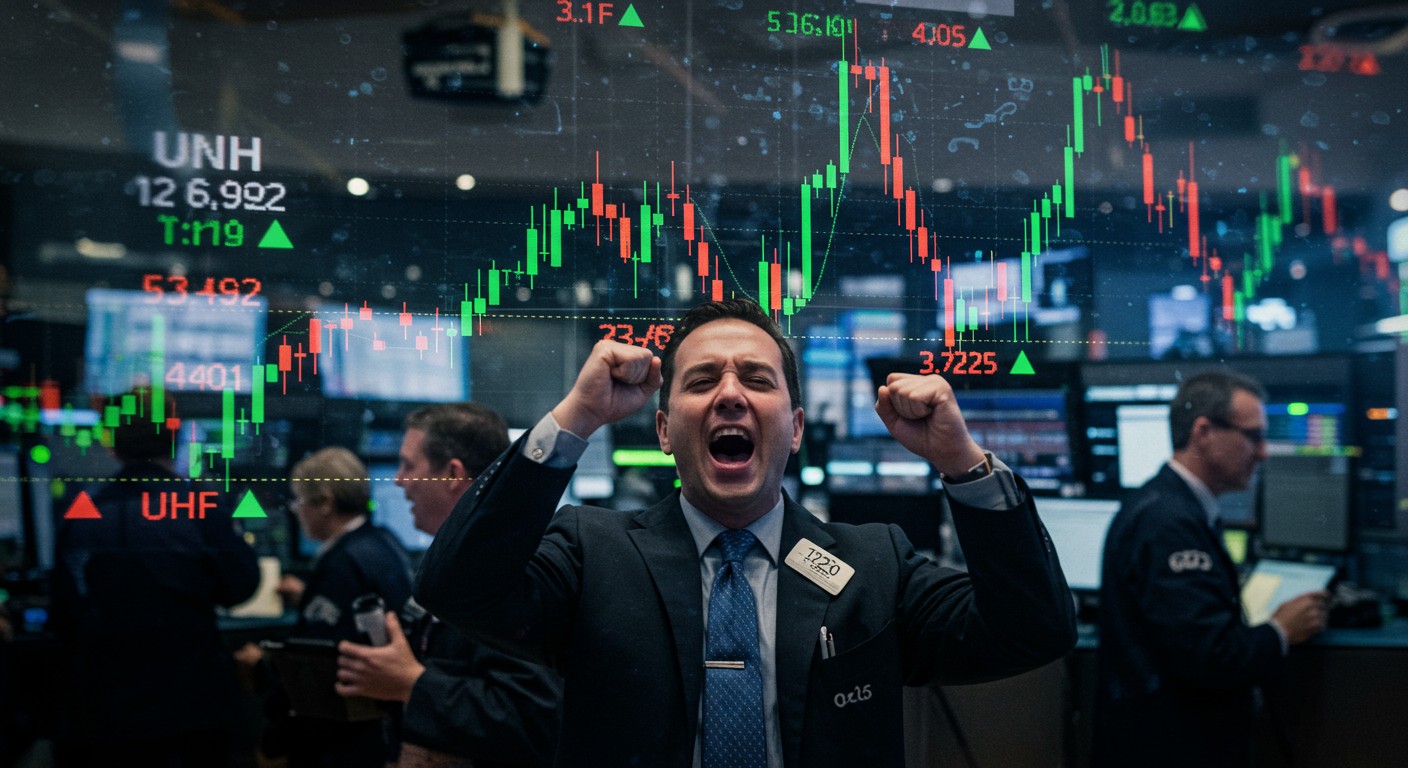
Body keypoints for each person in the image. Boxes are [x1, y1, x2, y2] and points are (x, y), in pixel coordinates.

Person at [416, 297, 1077, 767]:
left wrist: (962, 461)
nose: (730, 394)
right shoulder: (592, 551)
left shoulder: (874, 564)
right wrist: (576, 417)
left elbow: (1034, 630)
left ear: (794, 429)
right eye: (702, 380)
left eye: (757, 380)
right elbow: (457, 589)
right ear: (665, 431)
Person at [1094, 371, 1330, 767]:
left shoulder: (1170, 506)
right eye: (1253, 436)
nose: (1263, 452)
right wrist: (1280, 631)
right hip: (1171, 750)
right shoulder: (1169, 523)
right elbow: (1208, 656)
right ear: (1203, 432)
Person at [334, 404, 561, 767]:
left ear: (453, 474)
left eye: (408, 465)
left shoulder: (506, 570)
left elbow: (531, 718)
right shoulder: (449, 564)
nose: (398, 480)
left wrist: (412, 684)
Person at [50, 389, 260, 767]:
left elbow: (64, 614)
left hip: (104, 715)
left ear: (111, 443)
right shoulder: (198, 506)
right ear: (175, 436)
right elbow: (241, 586)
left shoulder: (82, 514)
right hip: (191, 710)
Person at [277, 446, 414, 768]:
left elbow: (319, 664)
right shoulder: (383, 540)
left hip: (345, 738)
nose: (296, 510)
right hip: (384, 727)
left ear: (325, 502)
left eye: (299, 500)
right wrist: (309, 595)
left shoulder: (342, 565)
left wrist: (261, 667)